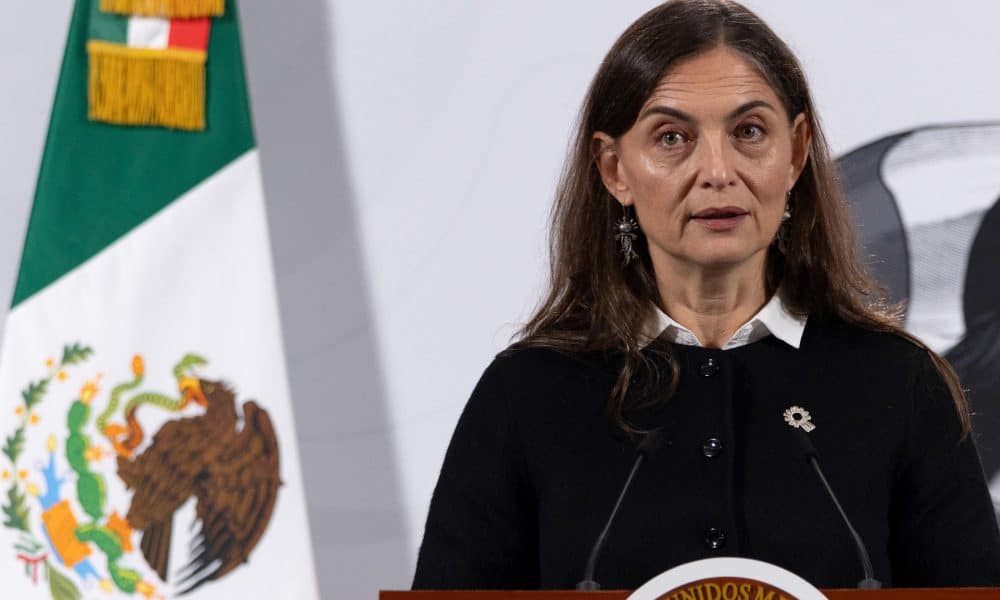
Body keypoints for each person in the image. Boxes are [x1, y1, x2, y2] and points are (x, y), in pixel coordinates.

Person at [411, 0, 1000, 590]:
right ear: (615, 169)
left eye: (749, 132)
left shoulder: (900, 384)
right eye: (673, 137)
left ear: (795, 152)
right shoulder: (527, 395)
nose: (718, 171)